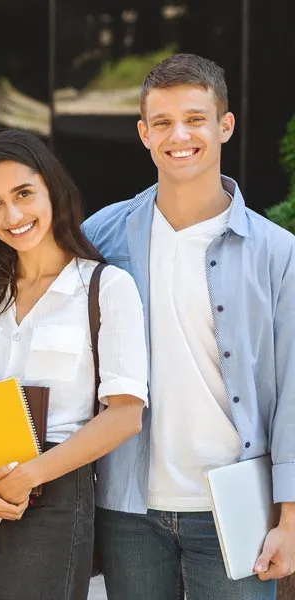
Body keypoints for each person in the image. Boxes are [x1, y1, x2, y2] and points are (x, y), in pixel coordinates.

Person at [82, 53, 295, 600]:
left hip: (236, 506)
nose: (180, 135)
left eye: (195, 119)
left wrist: (290, 519)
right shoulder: (100, 235)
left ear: (224, 125)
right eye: (163, 123)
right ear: (144, 134)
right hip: (129, 507)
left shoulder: (277, 252)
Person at [0, 128, 148, 600]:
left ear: (53, 188)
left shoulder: (105, 287)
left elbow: (126, 414)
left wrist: (28, 476)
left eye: (23, 193)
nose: (12, 215)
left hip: (53, 493)